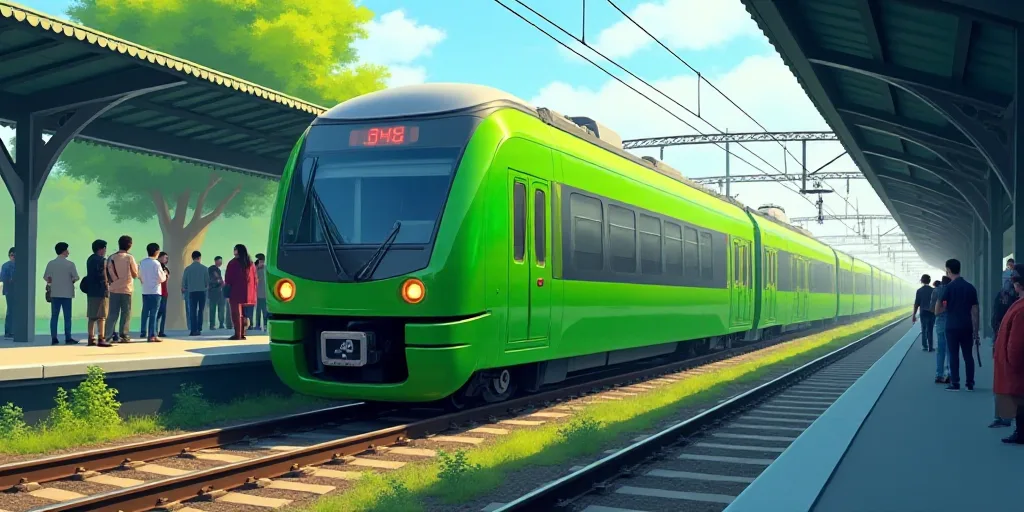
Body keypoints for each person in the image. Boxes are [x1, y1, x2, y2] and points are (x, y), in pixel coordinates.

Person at [934, 258, 979, 391]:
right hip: (967, 326)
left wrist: (945, 308)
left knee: (954, 355)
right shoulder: (970, 287)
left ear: (948, 270)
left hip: (952, 327)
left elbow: (937, 311)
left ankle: (955, 383)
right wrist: (976, 331)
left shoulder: (948, 288)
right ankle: (970, 383)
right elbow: (975, 311)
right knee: (968, 356)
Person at [993, 273, 1024, 444]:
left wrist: (1012, 363)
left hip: (1016, 366)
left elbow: (1017, 343)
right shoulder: (1019, 305)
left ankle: (1021, 433)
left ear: (1018, 285)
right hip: (1014, 363)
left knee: (1019, 399)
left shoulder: (1021, 308)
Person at [43, 242, 80, 345]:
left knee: (54, 316)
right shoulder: (70, 264)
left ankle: (54, 338)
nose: (68, 251)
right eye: (67, 249)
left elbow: (46, 277)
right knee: (67, 317)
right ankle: (68, 337)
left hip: (55, 293)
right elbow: (76, 277)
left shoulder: (51, 263)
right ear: (64, 251)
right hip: (67, 293)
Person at [106, 236, 139, 343]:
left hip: (114, 289)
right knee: (126, 313)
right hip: (126, 289)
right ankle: (124, 335)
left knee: (112, 313)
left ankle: (108, 336)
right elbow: (135, 274)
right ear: (129, 245)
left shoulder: (111, 257)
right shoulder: (129, 258)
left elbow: (107, 273)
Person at [224, 244, 257, 341]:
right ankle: (242, 333)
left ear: (237, 251)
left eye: (234, 249)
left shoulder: (233, 263)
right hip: (248, 293)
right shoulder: (250, 263)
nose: (233, 251)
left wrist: (227, 291)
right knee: (244, 314)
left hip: (236, 291)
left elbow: (228, 278)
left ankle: (237, 334)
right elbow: (255, 279)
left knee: (236, 313)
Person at [84, 240, 112, 347]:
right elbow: (103, 276)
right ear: (101, 249)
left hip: (91, 291)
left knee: (92, 316)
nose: (105, 251)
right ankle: (101, 338)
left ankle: (91, 338)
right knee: (102, 317)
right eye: (105, 248)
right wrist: (107, 288)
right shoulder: (102, 260)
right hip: (100, 291)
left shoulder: (90, 259)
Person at [138, 243, 167, 343]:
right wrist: (165, 275)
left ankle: (143, 331)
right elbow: (162, 278)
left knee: (145, 311)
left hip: (145, 291)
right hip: (155, 291)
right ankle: (152, 335)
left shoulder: (142, 262)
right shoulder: (156, 263)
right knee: (154, 314)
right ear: (156, 252)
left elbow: (139, 275)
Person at [182, 251, 210, 336]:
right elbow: (207, 282)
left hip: (191, 292)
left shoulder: (187, 269)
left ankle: (193, 329)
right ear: (199, 258)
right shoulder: (205, 268)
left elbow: (184, 282)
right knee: (200, 311)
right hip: (202, 292)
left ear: (192, 258)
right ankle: (199, 328)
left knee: (192, 311)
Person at [930, 277, 950, 384]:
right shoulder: (953, 289)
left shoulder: (936, 290)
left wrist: (940, 309)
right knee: (950, 349)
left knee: (940, 350)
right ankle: (950, 374)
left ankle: (939, 375)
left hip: (940, 322)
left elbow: (932, 309)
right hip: (952, 322)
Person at [912, 274, 935, 351]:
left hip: (923, 312)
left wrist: (914, 315)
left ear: (921, 281)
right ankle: (930, 346)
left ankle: (924, 346)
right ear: (929, 281)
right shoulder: (933, 290)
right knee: (930, 329)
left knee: (924, 328)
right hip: (932, 312)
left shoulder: (919, 291)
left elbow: (916, 304)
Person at [208, 256, 227, 330]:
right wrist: (219, 282)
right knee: (213, 309)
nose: (220, 263)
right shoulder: (212, 269)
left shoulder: (219, 270)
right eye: (219, 261)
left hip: (219, 292)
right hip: (214, 292)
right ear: (215, 261)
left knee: (221, 309)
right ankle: (213, 325)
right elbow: (213, 280)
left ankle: (221, 324)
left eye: (221, 261)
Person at [155, 252, 170, 338]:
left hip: (164, 292)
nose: (166, 260)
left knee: (163, 313)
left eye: (167, 258)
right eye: (165, 257)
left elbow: (167, 277)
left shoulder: (165, 268)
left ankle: (161, 331)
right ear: (159, 257)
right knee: (157, 313)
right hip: (158, 292)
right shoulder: (157, 266)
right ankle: (155, 330)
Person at [1, 247, 14, 340]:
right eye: (12, 255)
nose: (13, 257)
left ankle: (9, 331)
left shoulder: (5, 265)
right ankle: (9, 331)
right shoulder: (6, 265)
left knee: (11, 311)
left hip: (9, 291)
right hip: (10, 291)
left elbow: (2, 278)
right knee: (11, 310)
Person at [254, 253, 268, 331]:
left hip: (264, 294)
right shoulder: (255, 269)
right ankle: (257, 325)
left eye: (261, 261)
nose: (261, 262)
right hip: (257, 294)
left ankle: (265, 325)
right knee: (258, 311)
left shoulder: (265, 269)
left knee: (265, 311)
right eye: (259, 261)